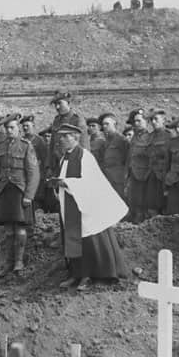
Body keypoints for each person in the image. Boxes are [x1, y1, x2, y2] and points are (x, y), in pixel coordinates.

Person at [53, 122, 128, 291]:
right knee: (73, 240)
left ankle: (88, 276)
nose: (61, 140)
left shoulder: (85, 156)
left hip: (84, 205)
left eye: (65, 136)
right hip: (69, 204)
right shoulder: (64, 158)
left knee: (87, 240)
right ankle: (76, 273)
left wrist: (67, 183)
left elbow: (91, 182)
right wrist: (57, 185)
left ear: (75, 138)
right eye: (60, 136)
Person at [0, 114, 40, 276]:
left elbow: (33, 173)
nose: (9, 131)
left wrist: (29, 195)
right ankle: (8, 261)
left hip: (19, 191)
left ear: (18, 128)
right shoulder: (0, 146)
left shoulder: (26, 146)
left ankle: (19, 261)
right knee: (8, 230)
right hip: (4, 190)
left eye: (12, 127)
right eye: (7, 128)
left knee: (20, 228)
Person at [97, 112, 129, 201]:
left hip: (119, 179)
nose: (104, 126)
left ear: (114, 124)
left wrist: (125, 178)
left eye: (107, 124)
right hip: (107, 178)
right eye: (103, 124)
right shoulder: (106, 141)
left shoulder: (122, 140)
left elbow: (127, 160)